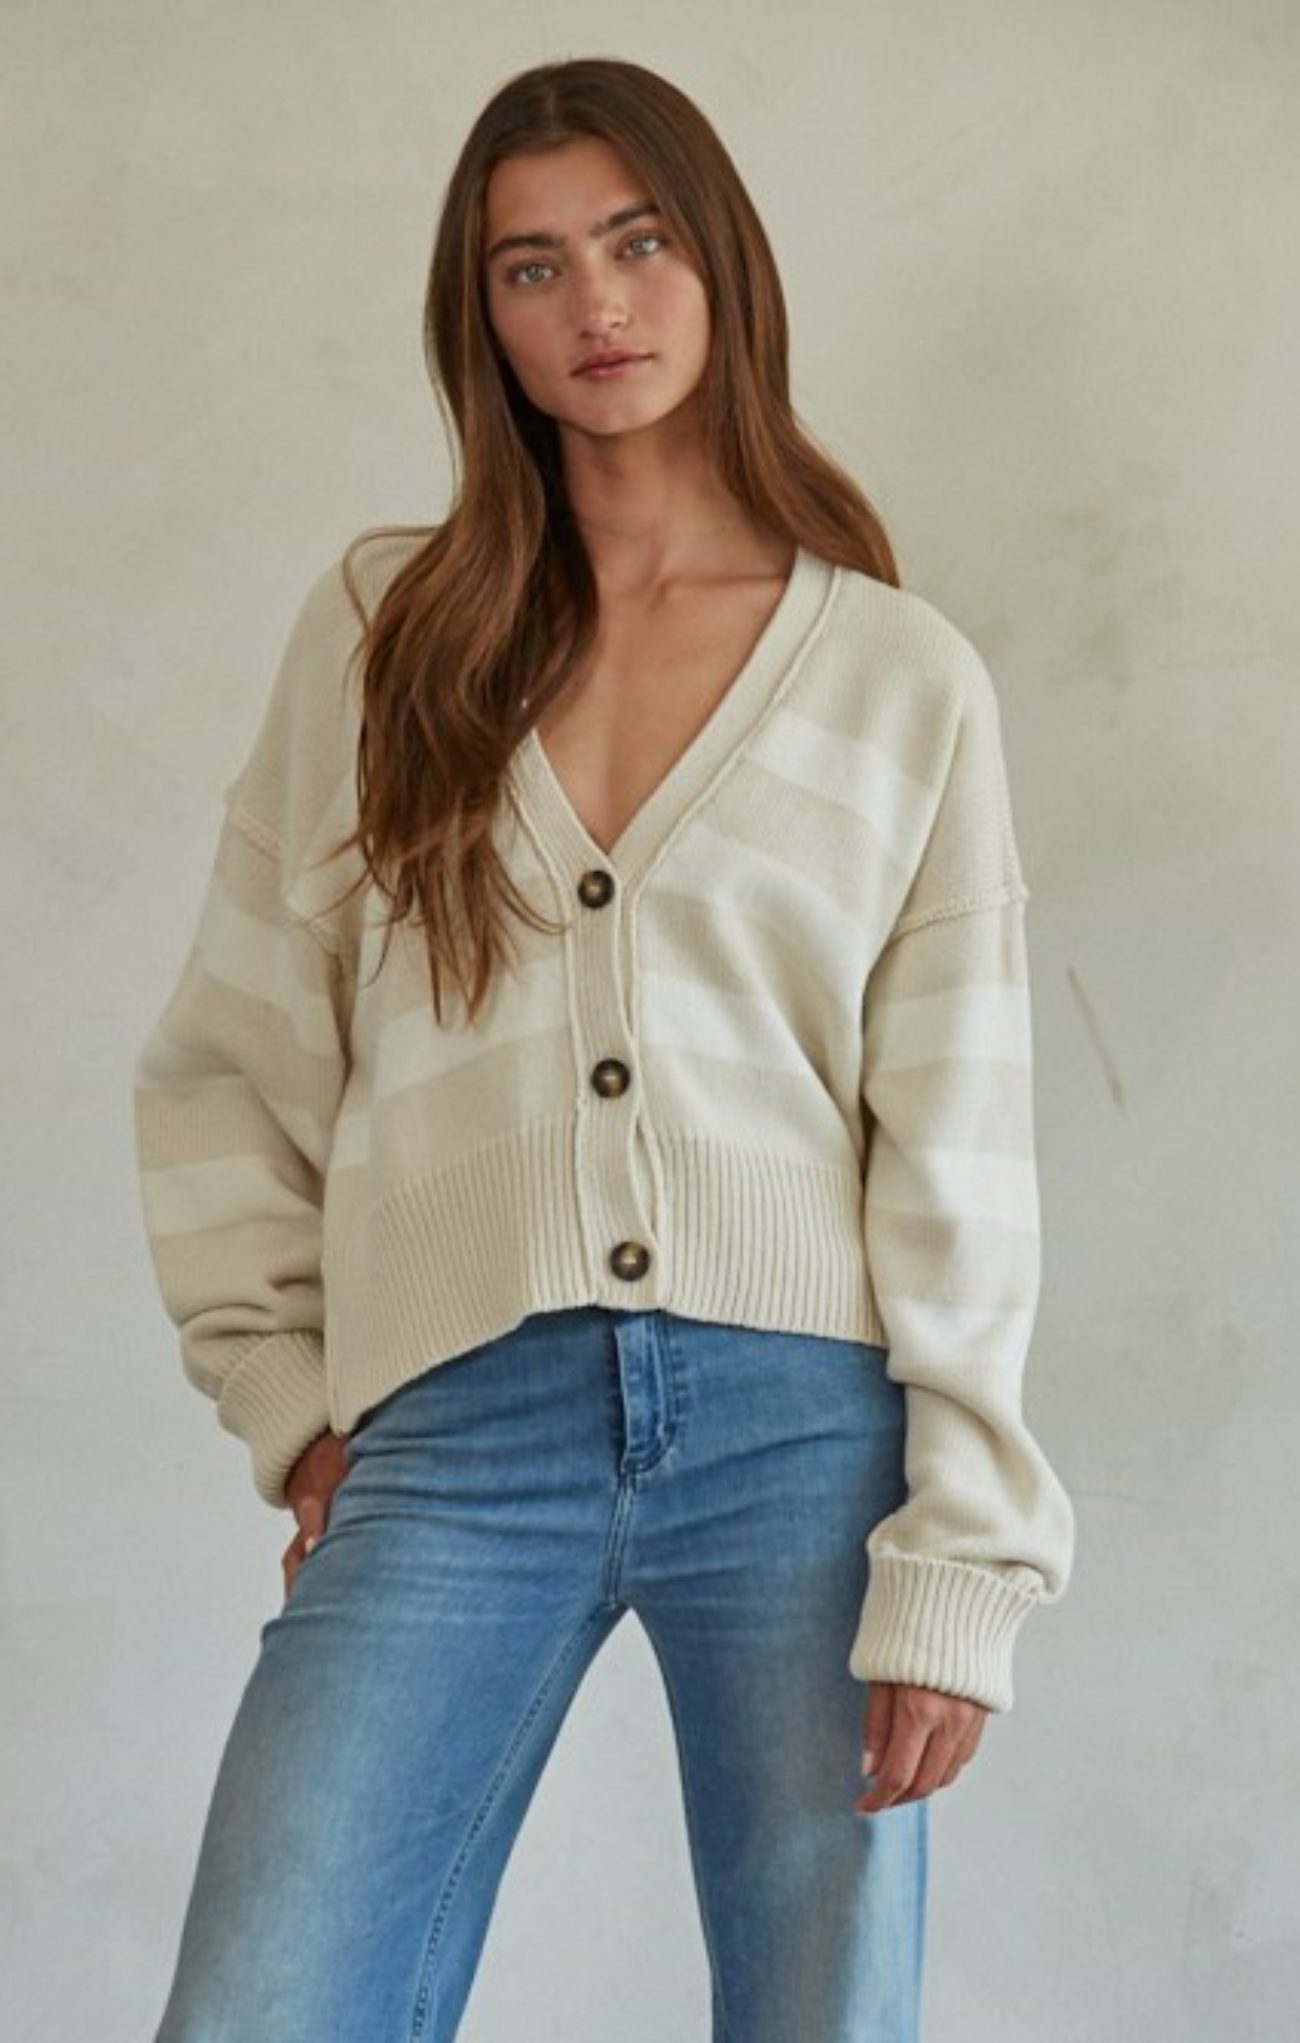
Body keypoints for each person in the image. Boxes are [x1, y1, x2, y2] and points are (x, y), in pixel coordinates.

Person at [134, 55, 1073, 2043]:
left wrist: (958, 1562)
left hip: (806, 1440)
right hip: (453, 1433)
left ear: (716, 259)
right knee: (262, 2001)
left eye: (636, 243)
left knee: (817, 2015)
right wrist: (290, 1389)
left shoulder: (897, 677)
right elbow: (231, 1046)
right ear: (478, 318)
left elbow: (959, 1140)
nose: (596, 307)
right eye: (531, 267)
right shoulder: (391, 632)